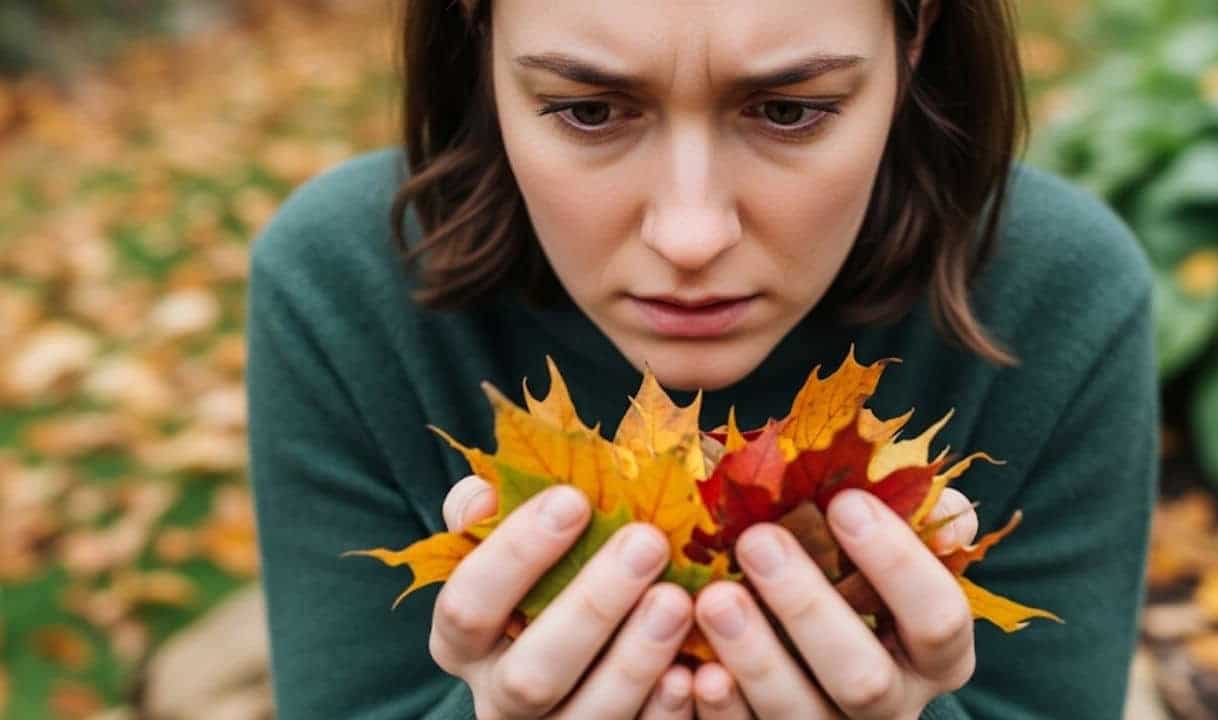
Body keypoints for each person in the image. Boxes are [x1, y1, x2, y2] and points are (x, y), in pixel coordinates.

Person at [246, 0, 1158, 717]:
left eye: (791, 110)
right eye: (588, 110)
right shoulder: (346, 284)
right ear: (476, 30)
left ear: (914, 35)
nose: (690, 235)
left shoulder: (1056, 294)